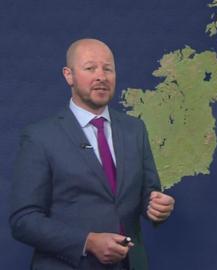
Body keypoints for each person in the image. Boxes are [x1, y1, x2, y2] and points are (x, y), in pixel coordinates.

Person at [9, 38, 175, 270]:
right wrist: (87, 242)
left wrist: (157, 206)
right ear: (69, 75)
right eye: (90, 68)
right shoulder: (40, 137)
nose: (101, 76)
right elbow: (23, 220)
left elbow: (148, 192)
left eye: (108, 69)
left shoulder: (134, 129)